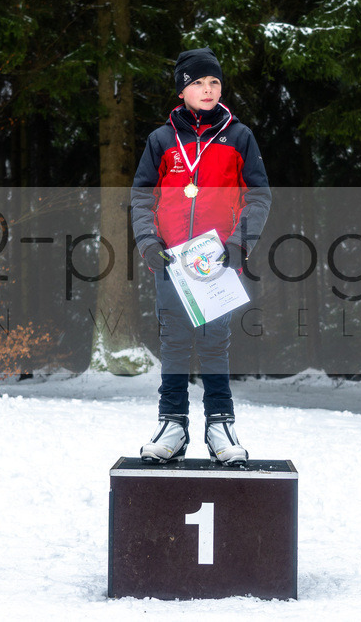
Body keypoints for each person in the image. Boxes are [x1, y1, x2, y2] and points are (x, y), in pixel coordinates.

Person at [130, 48, 271, 466]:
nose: (207, 90)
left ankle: (220, 425)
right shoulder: (161, 141)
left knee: (214, 344)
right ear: (182, 90)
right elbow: (141, 196)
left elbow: (259, 195)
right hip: (170, 261)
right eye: (198, 83)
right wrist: (148, 242)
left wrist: (239, 243)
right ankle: (171, 423)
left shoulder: (238, 136)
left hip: (219, 260)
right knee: (173, 341)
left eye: (214, 83)